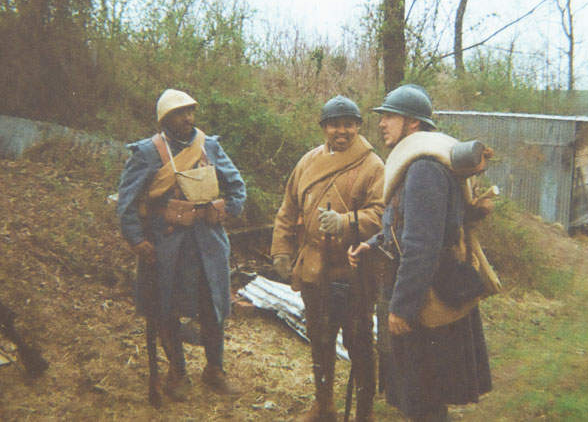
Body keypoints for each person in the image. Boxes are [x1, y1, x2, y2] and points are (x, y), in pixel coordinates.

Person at [348, 84, 493, 422]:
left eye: (389, 117)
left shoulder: (423, 168)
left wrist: (402, 308)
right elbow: (400, 227)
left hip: (425, 298)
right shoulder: (417, 163)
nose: (382, 123)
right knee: (423, 398)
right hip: (422, 290)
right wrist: (371, 246)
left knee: (424, 401)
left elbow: (421, 246)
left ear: (413, 123)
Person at [117, 89, 246, 401]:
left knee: (213, 306)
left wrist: (227, 210)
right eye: (179, 113)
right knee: (166, 309)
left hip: (209, 244)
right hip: (168, 245)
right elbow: (127, 202)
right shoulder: (148, 152)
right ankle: (178, 372)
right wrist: (137, 239)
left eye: (190, 111)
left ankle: (215, 369)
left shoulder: (209, 146)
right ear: (165, 119)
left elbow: (236, 187)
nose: (187, 118)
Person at [271, 95, 385, 422]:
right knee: (320, 341)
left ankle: (364, 412)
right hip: (313, 268)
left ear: (358, 126)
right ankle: (324, 406)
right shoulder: (307, 162)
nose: (342, 131)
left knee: (359, 342)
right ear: (324, 127)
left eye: (349, 124)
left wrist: (347, 222)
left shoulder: (372, 165)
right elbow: (287, 209)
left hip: (353, 270)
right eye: (335, 124)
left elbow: (381, 214)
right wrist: (281, 249)